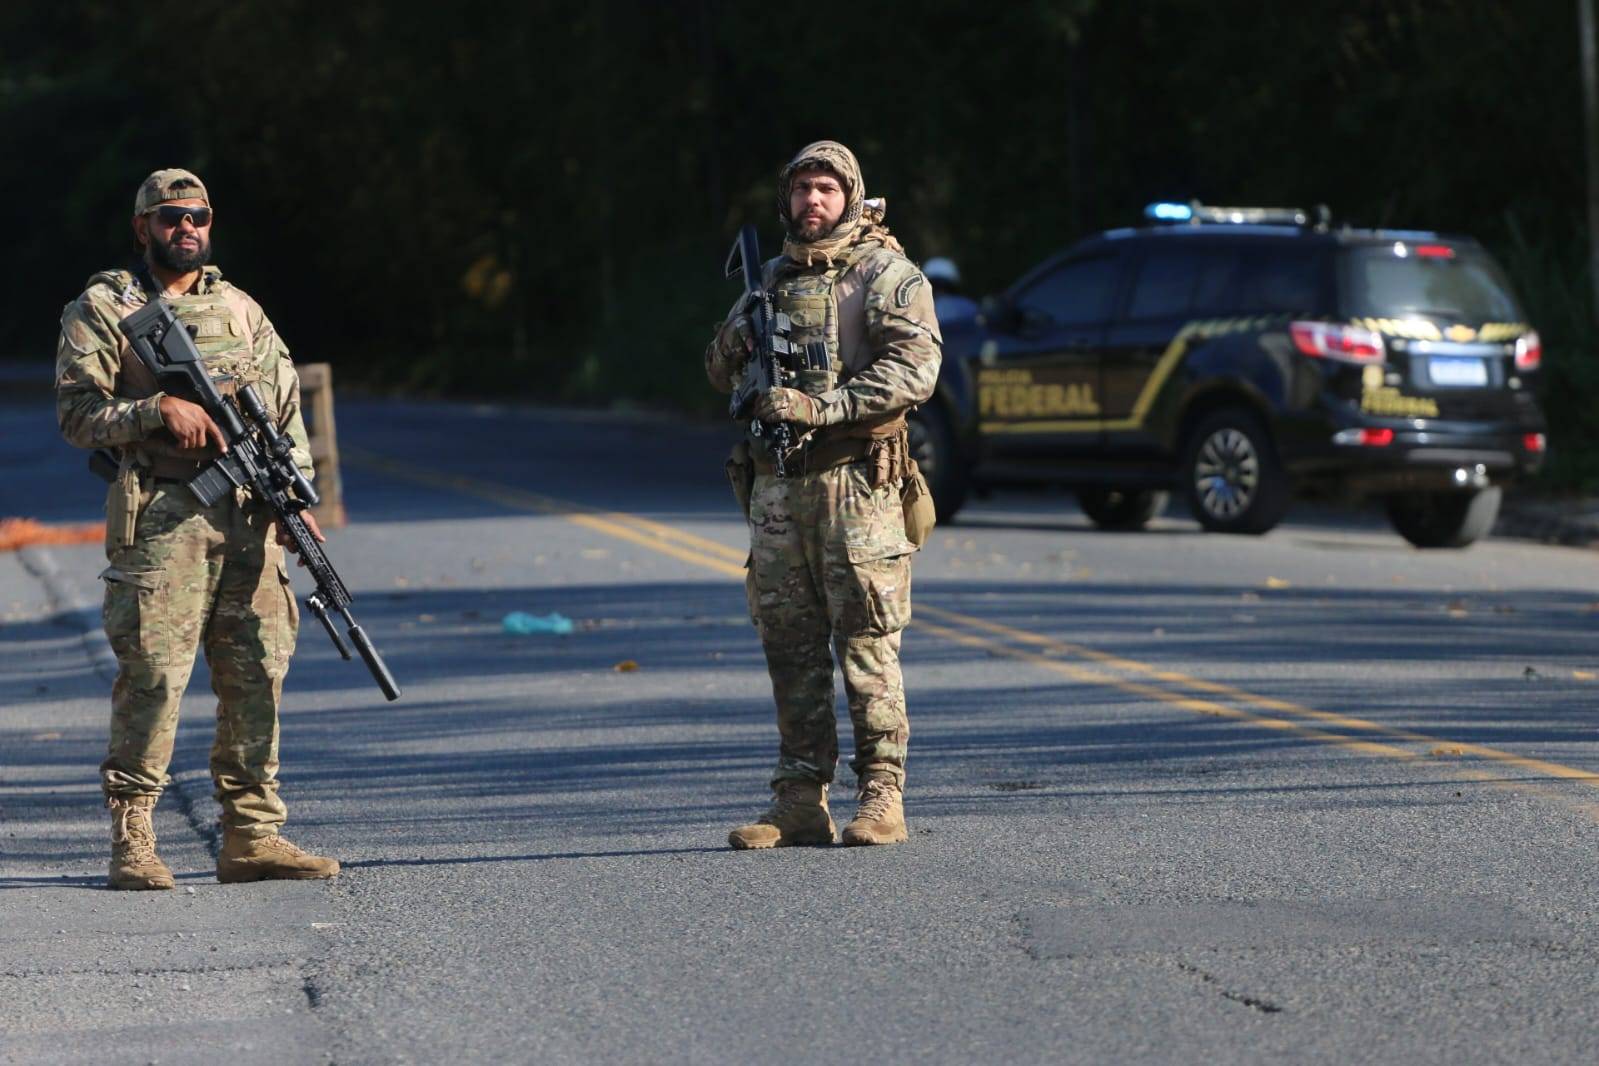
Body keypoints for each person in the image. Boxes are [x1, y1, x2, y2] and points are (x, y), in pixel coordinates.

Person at [55, 168, 338, 889]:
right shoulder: (105, 307)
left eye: (199, 217)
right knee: (153, 676)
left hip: (249, 519)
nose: (187, 228)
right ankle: (134, 841)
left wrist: (297, 494)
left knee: (258, 674)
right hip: (162, 518)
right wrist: (156, 413)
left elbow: (284, 416)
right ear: (143, 227)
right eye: (172, 217)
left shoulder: (242, 310)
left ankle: (252, 836)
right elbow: (76, 415)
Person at [706, 141, 942, 849]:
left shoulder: (885, 275)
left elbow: (916, 369)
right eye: (803, 188)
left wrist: (827, 407)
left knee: (867, 643)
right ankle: (799, 798)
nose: (814, 201)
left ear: (850, 196)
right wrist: (736, 341)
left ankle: (881, 798)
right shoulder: (767, 281)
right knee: (789, 644)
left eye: (827, 190)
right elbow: (717, 373)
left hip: (856, 483)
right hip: (778, 489)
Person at [923, 256, 980, 323]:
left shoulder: (920, 311)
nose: (939, 292)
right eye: (935, 286)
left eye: (943, 286)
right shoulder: (969, 306)